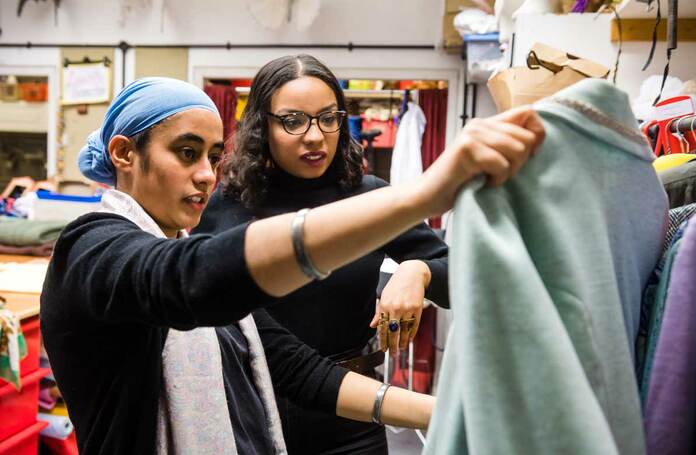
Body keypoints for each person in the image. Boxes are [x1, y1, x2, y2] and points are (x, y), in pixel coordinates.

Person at [40, 77, 544, 454]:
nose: (204, 176)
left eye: (214, 157)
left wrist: (448, 414)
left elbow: (295, 368)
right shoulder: (92, 249)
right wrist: (422, 196)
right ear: (125, 154)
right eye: (186, 152)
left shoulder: (182, 248)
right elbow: (189, 280)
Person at [193, 54, 450, 454]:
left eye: (328, 118)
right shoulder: (229, 204)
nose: (314, 136)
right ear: (263, 126)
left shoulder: (369, 197)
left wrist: (419, 270)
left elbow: (462, 276)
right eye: (293, 121)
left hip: (353, 421)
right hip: (249, 413)